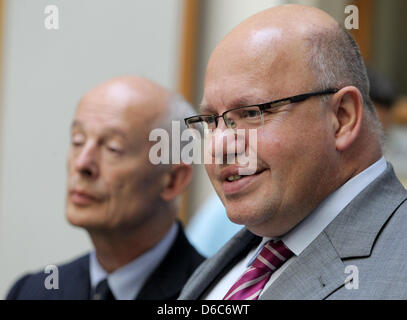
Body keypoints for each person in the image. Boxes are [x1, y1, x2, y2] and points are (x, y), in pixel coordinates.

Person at [180, 4, 407, 300]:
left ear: (342, 117)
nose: (220, 146)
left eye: (251, 113)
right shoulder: (234, 260)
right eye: (211, 121)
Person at [6, 76, 204, 300]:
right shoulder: (32, 292)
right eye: (78, 141)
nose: (82, 164)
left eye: (113, 148)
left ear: (173, 180)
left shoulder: (215, 294)